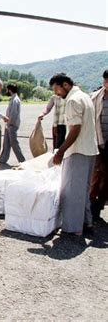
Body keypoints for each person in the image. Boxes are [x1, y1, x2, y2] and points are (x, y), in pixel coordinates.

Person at [50, 73, 98, 235]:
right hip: (89, 150)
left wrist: (60, 151)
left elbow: (75, 129)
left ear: (65, 85)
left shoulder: (72, 100)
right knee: (83, 190)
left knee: (71, 191)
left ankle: (73, 228)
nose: (56, 93)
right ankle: (87, 222)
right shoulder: (84, 96)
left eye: (57, 89)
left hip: (78, 151)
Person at [89, 69, 108, 222]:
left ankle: (99, 205)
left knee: (106, 178)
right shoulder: (96, 97)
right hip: (99, 142)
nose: (107, 84)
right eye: (105, 81)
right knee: (96, 175)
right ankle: (91, 205)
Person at [0, 84, 25, 165]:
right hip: (9, 125)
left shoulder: (15, 100)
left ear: (10, 90)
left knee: (14, 143)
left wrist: (9, 123)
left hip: (12, 125)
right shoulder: (13, 99)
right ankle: (2, 159)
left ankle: (22, 161)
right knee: (6, 143)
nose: (6, 91)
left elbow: (13, 114)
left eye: (7, 90)